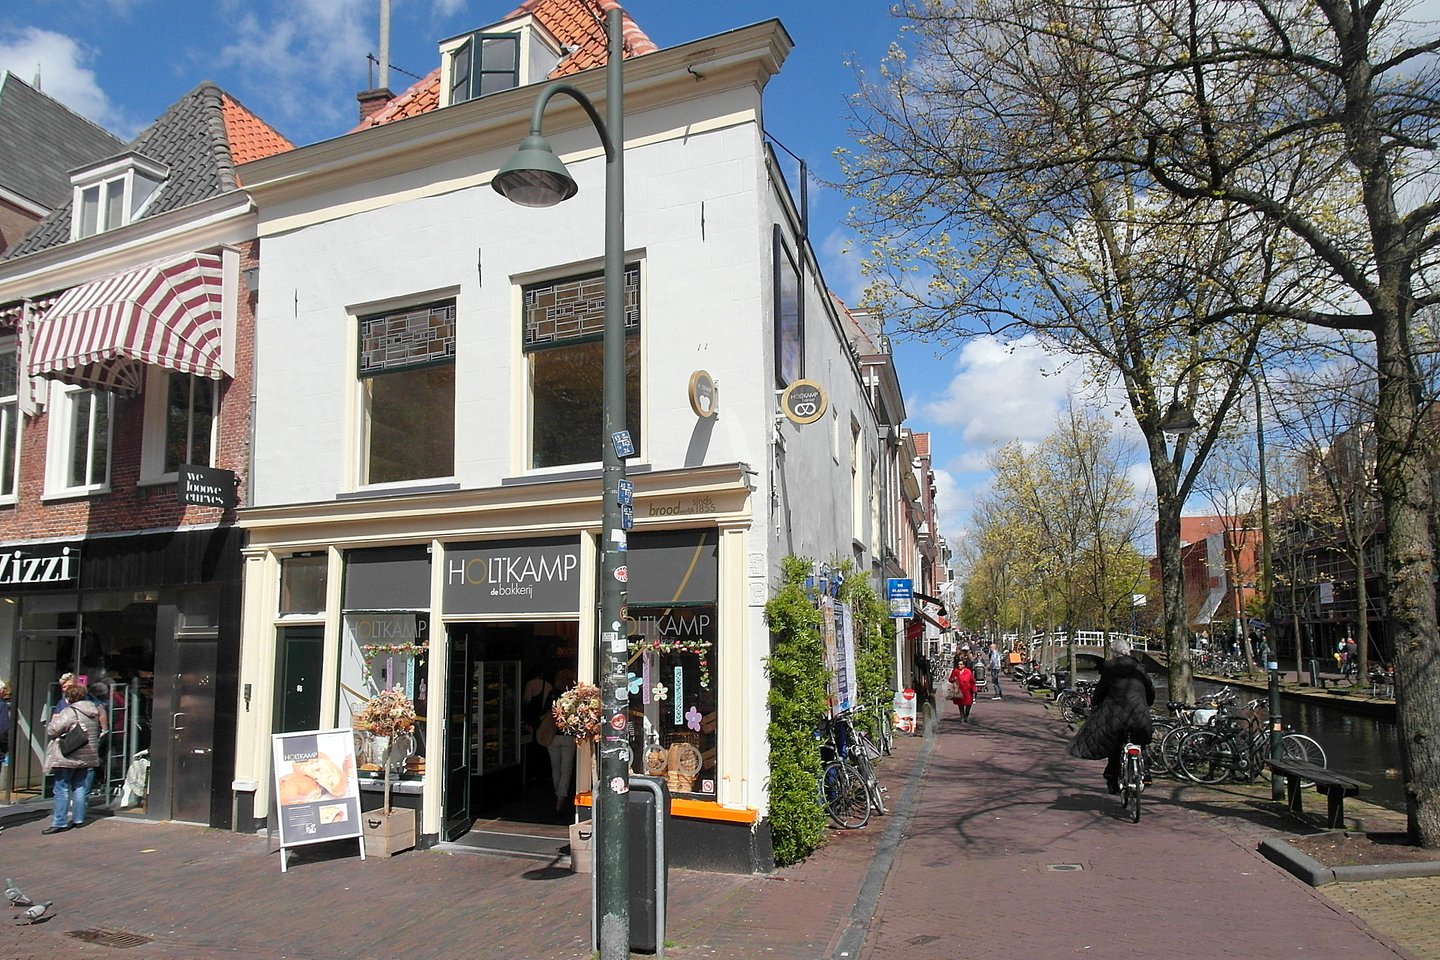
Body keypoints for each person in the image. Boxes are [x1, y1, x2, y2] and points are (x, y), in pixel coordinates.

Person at [1066, 638, 1155, 794]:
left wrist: (1095, 702)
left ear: (1114, 653)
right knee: (1141, 739)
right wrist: (1147, 702)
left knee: (1114, 745)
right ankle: (1146, 772)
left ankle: (1112, 780)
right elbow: (1150, 689)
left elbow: (1101, 689)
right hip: (1138, 713)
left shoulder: (1110, 669)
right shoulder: (1139, 668)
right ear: (1128, 651)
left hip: (1116, 716)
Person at [44, 679, 105, 833]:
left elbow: (52, 730)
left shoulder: (70, 712)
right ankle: (79, 819)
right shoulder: (93, 712)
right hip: (86, 755)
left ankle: (59, 822)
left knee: (61, 788)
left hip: (68, 755)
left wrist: (55, 722)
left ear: (70, 697)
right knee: (80, 787)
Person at [546, 668, 578, 813]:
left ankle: (557, 794)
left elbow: (545, 712)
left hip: (552, 735)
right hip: (568, 736)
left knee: (555, 768)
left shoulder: (552, 694)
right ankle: (561, 797)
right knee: (566, 769)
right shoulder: (573, 695)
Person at [947, 655, 977, 722]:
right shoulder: (955, 671)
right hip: (959, 691)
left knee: (968, 704)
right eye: (958, 664)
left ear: (964, 665)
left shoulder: (968, 671)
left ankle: (967, 715)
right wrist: (953, 679)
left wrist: (974, 689)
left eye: (961, 664)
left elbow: (972, 680)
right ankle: (962, 716)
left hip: (968, 691)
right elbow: (950, 680)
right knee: (960, 704)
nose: (959, 665)